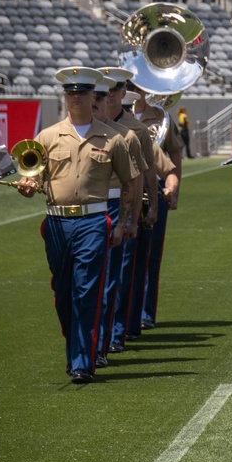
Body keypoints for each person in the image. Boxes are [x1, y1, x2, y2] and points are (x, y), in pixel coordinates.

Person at [17, 67, 139, 383]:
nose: (76, 97)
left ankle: (83, 361)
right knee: (63, 290)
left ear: (92, 95)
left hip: (93, 222)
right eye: (71, 92)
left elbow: (130, 182)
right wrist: (28, 185)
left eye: (82, 92)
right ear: (65, 96)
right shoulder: (46, 136)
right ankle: (76, 349)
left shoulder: (112, 138)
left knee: (86, 291)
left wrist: (124, 223)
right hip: (57, 223)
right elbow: (37, 179)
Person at [100, 69, 159, 354]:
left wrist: (151, 208)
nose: (110, 94)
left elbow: (147, 174)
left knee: (120, 273)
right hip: (94, 204)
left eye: (116, 88)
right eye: (105, 89)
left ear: (124, 92)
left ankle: (116, 332)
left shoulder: (136, 131)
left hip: (121, 203)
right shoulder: (91, 126)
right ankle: (100, 332)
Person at [91, 72, 146, 369]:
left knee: (109, 281)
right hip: (80, 210)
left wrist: (132, 219)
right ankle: (85, 342)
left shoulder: (127, 136)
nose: (106, 97)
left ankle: (102, 342)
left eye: (112, 91)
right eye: (100, 93)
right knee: (77, 285)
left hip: (112, 206)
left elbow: (136, 181)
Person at [129, 86, 183, 331]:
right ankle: (124, 313)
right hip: (124, 187)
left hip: (156, 185)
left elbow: (174, 152)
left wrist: (175, 192)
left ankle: (145, 311)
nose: (132, 90)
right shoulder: (113, 114)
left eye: (136, 86)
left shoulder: (162, 117)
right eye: (128, 86)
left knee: (151, 253)